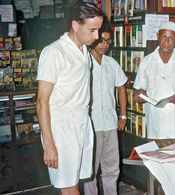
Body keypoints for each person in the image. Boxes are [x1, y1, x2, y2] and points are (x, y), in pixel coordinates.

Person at [36, 2, 103, 194]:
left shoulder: (85, 53)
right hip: (61, 128)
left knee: (73, 182)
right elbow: (41, 102)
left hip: (82, 122)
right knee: (69, 186)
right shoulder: (54, 52)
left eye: (98, 30)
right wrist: (49, 144)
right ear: (76, 25)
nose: (97, 36)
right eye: (92, 30)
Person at [134, 21, 175, 148]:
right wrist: (139, 96)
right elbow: (139, 90)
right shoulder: (146, 62)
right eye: (164, 37)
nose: (166, 41)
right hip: (155, 128)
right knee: (155, 165)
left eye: (171, 38)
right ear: (157, 36)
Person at [83, 16, 127, 195]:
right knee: (90, 170)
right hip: (90, 124)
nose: (104, 45)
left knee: (111, 168)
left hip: (110, 123)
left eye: (108, 41)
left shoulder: (112, 64)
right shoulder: (83, 62)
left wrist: (123, 116)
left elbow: (121, 89)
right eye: (101, 41)